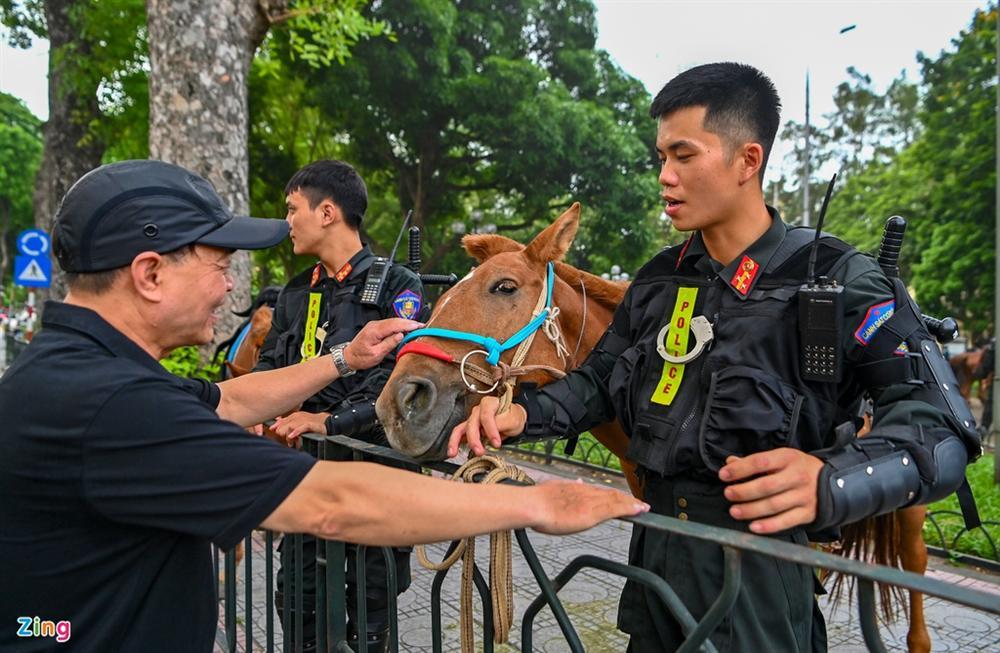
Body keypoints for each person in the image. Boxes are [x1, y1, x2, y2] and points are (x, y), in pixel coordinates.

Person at [0, 159, 647, 653]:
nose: (231, 283)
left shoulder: (78, 368)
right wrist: (535, 502)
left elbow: (229, 397)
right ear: (148, 273)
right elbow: (331, 503)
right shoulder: (113, 401)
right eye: (219, 263)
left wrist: (345, 358)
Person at [449, 63, 980, 652]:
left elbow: (944, 429)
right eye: (660, 158)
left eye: (683, 156)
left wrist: (835, 480)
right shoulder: (659, 280)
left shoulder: (837, 277)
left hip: (758, 584)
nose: (664, 177)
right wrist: (524, 414)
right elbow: (602, 381)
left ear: (747, 160)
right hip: (651, 564)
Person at [253, 159, 430, 652]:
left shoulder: (398, 287)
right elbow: (270, 366)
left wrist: (326, 421)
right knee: (298, 602)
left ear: (327, 212)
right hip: (305, 478)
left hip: (375, 475)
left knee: (372, 615)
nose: (286, 221)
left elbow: (395, 383)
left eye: (293, 209)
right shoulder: (295, 291)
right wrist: (257, 408)